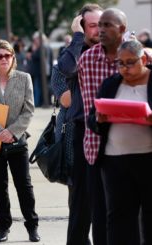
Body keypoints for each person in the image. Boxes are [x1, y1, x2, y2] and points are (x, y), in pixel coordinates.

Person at [0, 40, 40, 243]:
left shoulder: (24, 78)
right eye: (0, 56)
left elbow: (28, 110)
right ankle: (3, 227)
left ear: (13, 57)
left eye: (8, 55)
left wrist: (12, 132)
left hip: (17, 140)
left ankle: (32, 226)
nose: (4, 59)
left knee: (24, 185)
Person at [88, 40, 152, 245]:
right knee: (118, 217)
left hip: (148, 160)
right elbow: (91, 118)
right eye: (120, 63)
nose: (125, 68)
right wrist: (98, 119)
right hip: (114, 161)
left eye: (130, 62)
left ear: (143, 59)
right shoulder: (111, 83)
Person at [78, 8, 128, 244]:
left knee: (131, 212)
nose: (101, 29)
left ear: (122, 29)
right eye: (99, 25)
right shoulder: (87, 60)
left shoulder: (138, 56)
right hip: (97, 148)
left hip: (134, 148)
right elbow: (90, 106)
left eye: (108, 25)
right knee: (100, 213)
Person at [57, 4, 103, 245]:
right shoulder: (75, 51)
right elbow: (66, 69)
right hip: (81, 131)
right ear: (82, 27)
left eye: (101, 24)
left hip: (113, 132)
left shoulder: (116, 49)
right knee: (81, 201)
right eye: (92, 25)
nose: (98, 30)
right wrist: (76, 37)